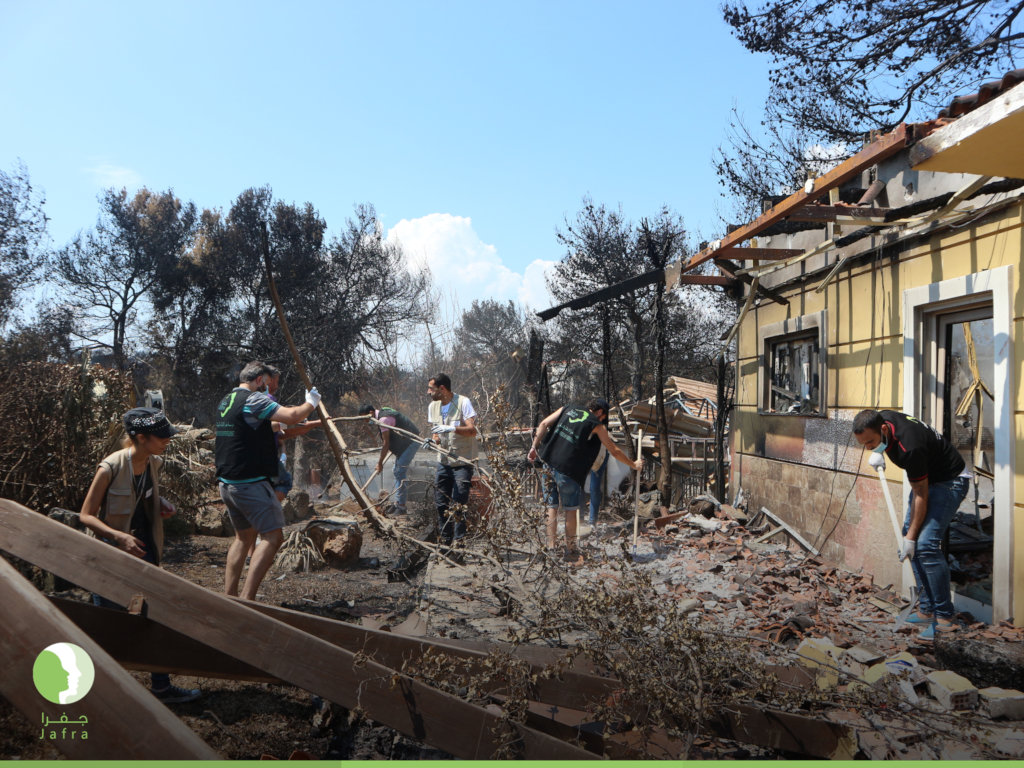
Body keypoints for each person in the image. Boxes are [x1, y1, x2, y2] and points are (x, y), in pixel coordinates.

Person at [79, 407, 201, 704]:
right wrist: (119, 536)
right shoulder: (109, 467)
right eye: (161, 437)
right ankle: (98, 697)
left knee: (152, 620)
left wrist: (163, 502)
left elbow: (144, 496)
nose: (167, 441)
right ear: (141, 437)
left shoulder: (152, 463)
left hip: (144, 553)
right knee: (109, 629)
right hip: (109, 560)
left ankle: (161, 687)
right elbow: (86, 515)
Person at [852, 409, 970, 640]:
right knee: (911, 540)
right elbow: (919, 487)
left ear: (883, 429)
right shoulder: (882, 419)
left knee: (924, 545)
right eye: (862, 444)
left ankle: (946, 619)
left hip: (950, 481)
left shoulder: (910, 448)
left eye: (870, 442)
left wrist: (912, 538)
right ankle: (926, 609)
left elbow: (920, 494)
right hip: (928, 478)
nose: (867, 447)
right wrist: (880, 451)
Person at [216, 361, 321, 601]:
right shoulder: (254, 398)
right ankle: (247, 600)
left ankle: (229, 597)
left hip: (228, 483)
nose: (271, 388)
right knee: (273, 537)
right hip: (250, 482)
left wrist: (293, 424)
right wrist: (311, 402)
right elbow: (292, 415)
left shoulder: (227, 401)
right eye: (269, 382)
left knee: (243, 538)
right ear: (260, 380)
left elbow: (266, 426)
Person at [529, 398, 643, 556]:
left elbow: (543, 424)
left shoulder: (567, 407)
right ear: (600, 412)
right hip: (567, 470)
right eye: (604, 416)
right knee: (570, 509)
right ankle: (571, 549)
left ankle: (551, 546)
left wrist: (534, 447)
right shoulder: (596, 424)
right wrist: (633, 464)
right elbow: (614, 450)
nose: (603, 420)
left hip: (548, 462)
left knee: (551, 506)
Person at [427, 373, 478, 547]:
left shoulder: (463, 402)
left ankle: (459, 544)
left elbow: (472, 430)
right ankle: (445, 543)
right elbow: (436, 434)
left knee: (459, 503)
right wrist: (432, 441)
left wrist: (452, 428)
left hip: (462, 461)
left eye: (431, 389)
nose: (429, 392)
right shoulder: (432, 406)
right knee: (441, 503)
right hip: (443, 461)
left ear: (442, 389)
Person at [359, 404, 421, 515]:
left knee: (399, 472)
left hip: (411, 442)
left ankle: (401, 507)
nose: (365, 421)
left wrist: (380, 463)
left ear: (371, 413)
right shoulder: (383, 413)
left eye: (365, 418)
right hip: (405, 442)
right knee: (396, 471)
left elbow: (386, 444)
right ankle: (397, 503)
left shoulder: (383, 419)